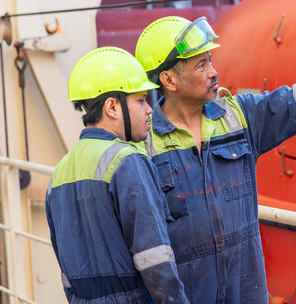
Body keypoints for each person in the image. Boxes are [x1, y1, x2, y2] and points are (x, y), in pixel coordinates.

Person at [134, 14, 296, 303]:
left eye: (211, 61)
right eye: (202, 65)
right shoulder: (142, 147)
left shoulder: (240, 117)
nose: (214, 72)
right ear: (168, 79)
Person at [45, 47, 189, 304]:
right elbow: (155, 260)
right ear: (112, 106)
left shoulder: (59, 174)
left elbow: (67, 271)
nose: (149, 110)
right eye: (140, 100)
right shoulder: (127, 161)